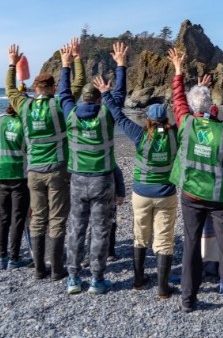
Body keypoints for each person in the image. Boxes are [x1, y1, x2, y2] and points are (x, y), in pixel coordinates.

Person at [168, 48, 223, 315]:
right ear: (213, 106)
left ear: (192, 108)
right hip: (220, 198)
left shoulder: (185, 123)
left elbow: (179, 100)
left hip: (191, 195)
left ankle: (188, 299)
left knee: (191, 246)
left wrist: (178, 71)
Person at [6, 40, 85, 280]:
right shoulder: (60, 104)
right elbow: (78, 85)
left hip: (33, 172)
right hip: (57, 170)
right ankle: (56, 269)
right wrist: (72, 61)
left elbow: (10, 90)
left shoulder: (24, 105)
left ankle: (40, 268)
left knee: (38, 217)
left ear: (35, 87)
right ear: (51, 87)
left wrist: (11, 65)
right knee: (57, 218)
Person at [94, 76, 178, 299]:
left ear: (148, 119)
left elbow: (118, 116)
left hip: (141, 193)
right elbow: (184, 114)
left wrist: (105, 93)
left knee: (140, 236)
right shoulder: (175, 134)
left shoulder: (140, 135)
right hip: (166, 193)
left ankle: (139, 280)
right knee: (164, 238)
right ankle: (162, 288)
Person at [60, 40, 127, 295]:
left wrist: (66, 66)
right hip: (102, 180)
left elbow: (64, 94)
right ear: (99, 98)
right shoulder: (106, 114)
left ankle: (74, 278)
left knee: (76, 228)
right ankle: (97, 279)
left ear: (83, 99)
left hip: (77, 180)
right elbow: (119, 96)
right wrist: (121, 65)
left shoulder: (70, 113)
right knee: (100, 229)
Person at [0, 104, 31, 270]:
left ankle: (1, 258)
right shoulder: (25, 123)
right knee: (18, 217)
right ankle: (13, 257)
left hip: (0, 171)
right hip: (18, 173)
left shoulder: (0, 121)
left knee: (4, 217)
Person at [82, 166, 126, 268]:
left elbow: (119, 178)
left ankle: (110, 252)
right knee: (94, 227)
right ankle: (89, 254)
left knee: (111, 225)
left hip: (109, 200)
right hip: (95, 200)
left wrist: (120, 194)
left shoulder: (112, 165)